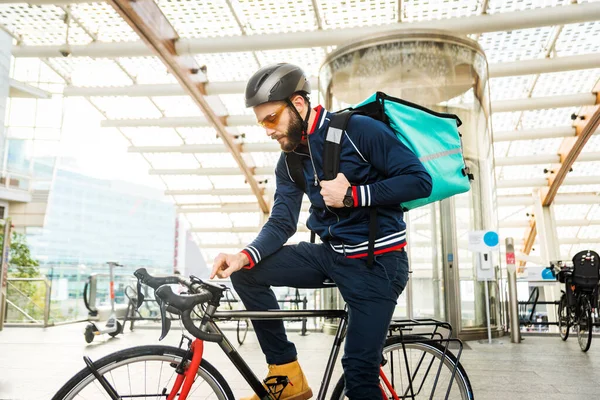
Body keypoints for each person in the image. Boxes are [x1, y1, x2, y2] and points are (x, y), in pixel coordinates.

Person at [211, 63, 432, 400]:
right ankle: (287, 376)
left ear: (298, 104)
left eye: (271, 119)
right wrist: (242, 256)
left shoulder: (358, 130)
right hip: (331, 256)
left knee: (359, 374)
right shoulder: (289, 161)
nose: (267, 130)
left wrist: (354, 195)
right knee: (248, 273)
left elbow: (419, 180)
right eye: (261, 123)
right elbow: (282, 222)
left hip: (378, 263)